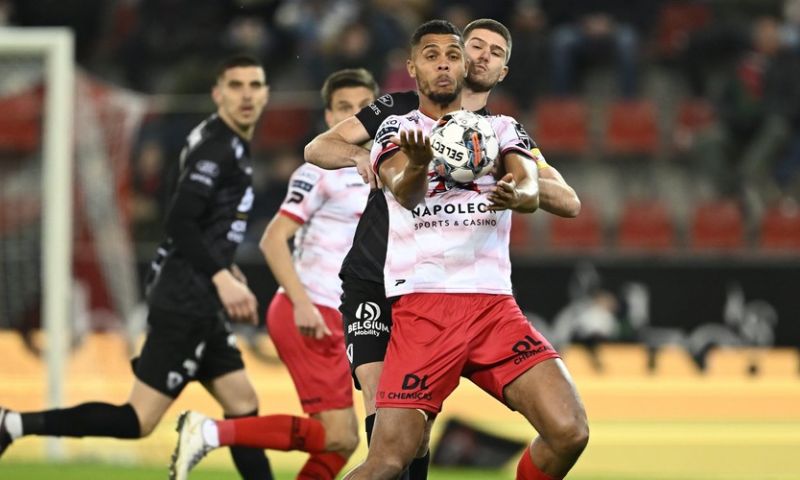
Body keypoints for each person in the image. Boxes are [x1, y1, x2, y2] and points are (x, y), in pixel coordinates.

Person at [303, 17, 582, 479]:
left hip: (494, 309)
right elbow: (403, 190)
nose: (454, 62)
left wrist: (521, 193)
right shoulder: (397, 123)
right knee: (391, 457)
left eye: (453, 55)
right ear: (412, 67)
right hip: (416, 302)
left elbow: (541, 187)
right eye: (438, 55)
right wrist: (414, 162)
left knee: (570, 430)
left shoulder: (502, 128)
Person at [0, 55, 274, 480]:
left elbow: (203, 224)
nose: (246, 95)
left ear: (266, 93)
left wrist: (225, 268)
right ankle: (14, 424)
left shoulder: (223, 140)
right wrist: (221, 276)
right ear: (218, 93)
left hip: (201, 298)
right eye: (235, 86)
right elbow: (180, 220)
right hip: (187, 301)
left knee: (243, 406)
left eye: (254, 85)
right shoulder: (217, 148)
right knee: (138, 420)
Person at [169, 69, 378, 480]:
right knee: (340, 435)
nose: (354, 115)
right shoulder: (319, 172)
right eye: (343, 108)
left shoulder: (387, 168)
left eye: (363, 108)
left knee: (343, 440)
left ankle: (212, 431)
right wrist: (302, 304)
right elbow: (272, 240)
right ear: (328, 117)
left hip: (353, 315)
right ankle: (210, 431)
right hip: (312, 310)